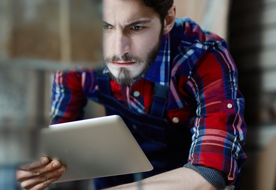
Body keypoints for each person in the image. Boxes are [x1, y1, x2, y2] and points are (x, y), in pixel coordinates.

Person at [16, 0, 247, 189]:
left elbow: (210, 173)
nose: (118, 50)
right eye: (105, 26)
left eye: (136, 27)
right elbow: (56, 139)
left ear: (167, 20)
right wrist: (37, 166)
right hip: (114, 179)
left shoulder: (204, 57)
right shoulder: (77, 54)